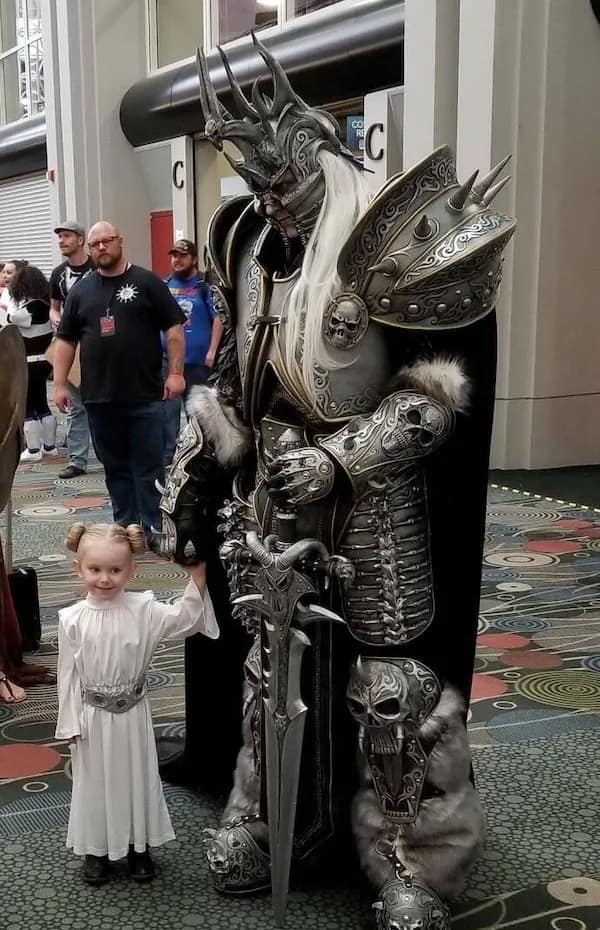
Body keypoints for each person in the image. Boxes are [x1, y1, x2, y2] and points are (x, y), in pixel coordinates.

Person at [158, 40, 516, 928]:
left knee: (391, 686)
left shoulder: (389, 238)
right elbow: (235, 375)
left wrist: (342, 458)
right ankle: (275, 813)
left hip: (373, 499)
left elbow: (435, 398)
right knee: (268, 671)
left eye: (285, 181)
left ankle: (407, 857)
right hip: (272, 493)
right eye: (259, 184)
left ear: (321, 156)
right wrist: (194, 470)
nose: (272, 199)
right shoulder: (246, 240)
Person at [55, 521, 218, 884]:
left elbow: (185, 620)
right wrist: (70, 724)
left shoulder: (143, 609)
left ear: (131, 570)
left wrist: (197, 580)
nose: (105, 579)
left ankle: (137, 847)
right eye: (95, 569)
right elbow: (68, 676)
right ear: (79, 568)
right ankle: (97, 850)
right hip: (93, 718)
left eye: (115, 570)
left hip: (133, 716)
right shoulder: (72, 619)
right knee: (95, 783)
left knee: (136, 778)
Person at [52, 221, 186, 539]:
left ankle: (153, 528)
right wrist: (59, 384)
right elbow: (66, 341)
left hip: (145, 395)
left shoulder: (148, 282)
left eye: (107, 241)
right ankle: (126, 527)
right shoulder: (80, 292)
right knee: (115, 468)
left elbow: (174, 329)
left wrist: (176, 373)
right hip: (99, 398)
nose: (101, 247)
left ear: (120, 241)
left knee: (149, 467)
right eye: (95, 244)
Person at [162, 239, 223, 464]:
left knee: (198, 411)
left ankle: (200, 454)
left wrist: (213, 350)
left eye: (183, 255)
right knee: (167, 413)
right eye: (174, 255)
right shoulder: (165, 285)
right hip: (169, 362)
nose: (177, 260)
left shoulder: (204, 285)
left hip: (198, 361)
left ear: (194, 258)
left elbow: (218, 318)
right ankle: (168, 455)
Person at [49, 221, 95, 479]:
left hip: (98, 345)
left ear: (80, 240)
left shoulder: (97, 268)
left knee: (103, 404)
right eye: (59, 237)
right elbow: (53, 307)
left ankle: (110, 455)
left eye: (67, 236)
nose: (61, 241)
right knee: (76, 405)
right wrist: (56, 317)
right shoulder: (58, 274)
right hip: (70, 346)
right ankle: (77, 461)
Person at [6, 264, 57, 461]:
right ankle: (49, 446)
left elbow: (10, 318)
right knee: (42, 402)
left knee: (27, 405)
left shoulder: (31, 307)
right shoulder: (47, 306)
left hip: (29, 363)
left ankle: (34, 450)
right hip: (44, 361)